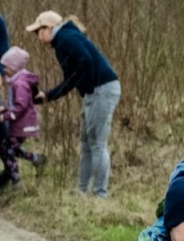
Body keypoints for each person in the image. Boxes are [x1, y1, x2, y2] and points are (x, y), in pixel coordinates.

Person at [27, 10, 121, 198]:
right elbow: (71, 78)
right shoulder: (63, 40)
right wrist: (49, 95)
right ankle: (82, 190)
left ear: (49, 28)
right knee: (86, 144)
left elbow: (86, 62)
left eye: (38, 31)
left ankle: (100, 195)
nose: (37, 36)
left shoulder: (66, 38)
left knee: (97, 144)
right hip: (94, 92)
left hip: (101, 90)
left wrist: (89, 88)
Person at [0, 46, 44, 186]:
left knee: (7, 149)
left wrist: (5, 116)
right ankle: (36, 158)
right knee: (11, 148)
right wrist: (6, 109)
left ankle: (16, 180)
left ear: (14, 67)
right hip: (21, 123)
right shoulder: (17, 80)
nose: (4, 70)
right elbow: (18, 104)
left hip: (23, 124)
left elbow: (21, 106)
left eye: (6, 67)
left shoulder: (20, 83)